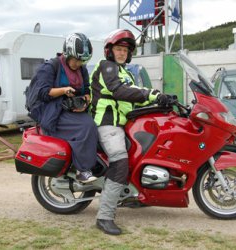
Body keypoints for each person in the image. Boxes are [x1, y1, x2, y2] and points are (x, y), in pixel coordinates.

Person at [90, 29, 167, 235]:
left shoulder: (126, 72)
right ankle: (104, 217)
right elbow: (120, 91)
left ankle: (134, 195)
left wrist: (161, 100)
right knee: (120, 162)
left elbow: (134, 95)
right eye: (118, 48)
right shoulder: (106, 67)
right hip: (107, 124)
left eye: (125, 49)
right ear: (110, 50)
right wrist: (153, 95)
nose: (122, 53)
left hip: (123, 124)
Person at [35, 33, 98, 183]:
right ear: (68, 53)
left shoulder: (81, 70)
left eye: (82, 60)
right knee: (87, 126)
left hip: (73, 109)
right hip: (53, 111)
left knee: (96, 123)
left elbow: (87, 89)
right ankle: (82, 170)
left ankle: (95, 163)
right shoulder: (51, 67)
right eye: (76, 59)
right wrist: (64, 90)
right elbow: (43, 93)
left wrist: (86, 99)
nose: (78, 63)